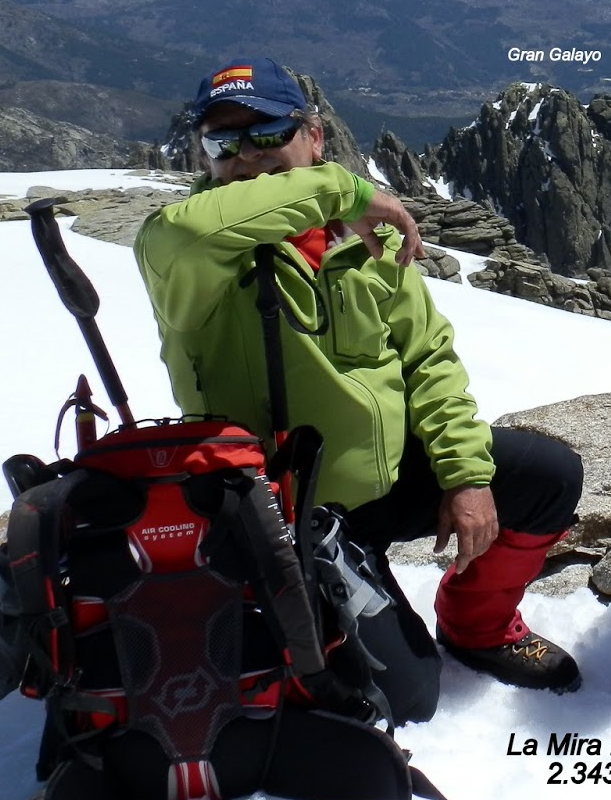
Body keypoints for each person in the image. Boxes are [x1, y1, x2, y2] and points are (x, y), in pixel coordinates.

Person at [135, 57, 583, 717]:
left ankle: (478, 627)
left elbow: (427, 355)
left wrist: (464, 476)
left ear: (313, 135)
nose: (248, 156)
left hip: (386, 481)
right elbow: (193, 229)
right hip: (286, 520)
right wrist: (341, 190)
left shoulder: (365, 240)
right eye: (224, 142)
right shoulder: (189, 256)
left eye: (266, 134)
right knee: (409, 696)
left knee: (548, 474)